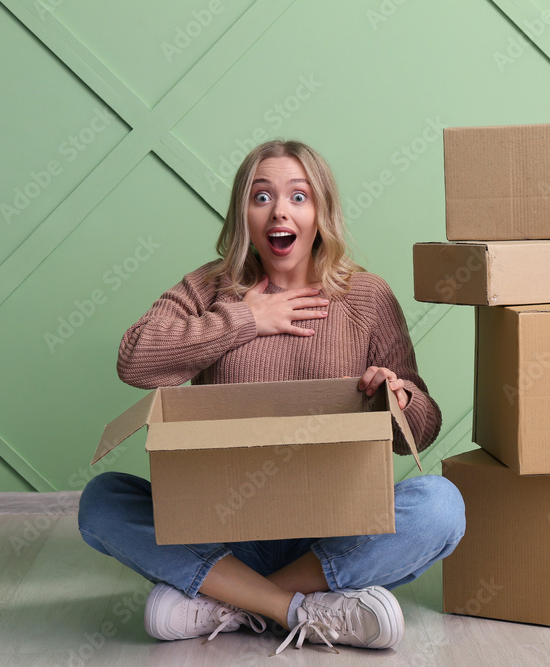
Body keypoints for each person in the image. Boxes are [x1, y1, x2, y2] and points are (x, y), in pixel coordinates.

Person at [77, 139, 465, 655]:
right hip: (225, 528)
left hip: (330, 532)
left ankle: (228, 601)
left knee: (443, 506)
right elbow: (135, 357)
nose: (280, 210)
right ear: (244, 214)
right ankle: (298, 610)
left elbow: (424, 429)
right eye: (262, 197)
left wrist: (399, 397)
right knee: (100, 502)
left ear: (321, 211)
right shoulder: (213, 288)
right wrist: (245, 319)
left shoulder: (366, 297)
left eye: (298, 197)